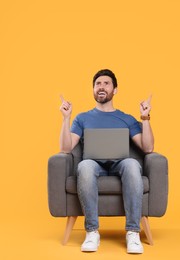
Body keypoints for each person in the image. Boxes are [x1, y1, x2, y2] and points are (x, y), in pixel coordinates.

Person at [59, 69, 154, 254]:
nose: (101, 87)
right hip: (93, 164)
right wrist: (66, 118)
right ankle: (92, 231)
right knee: (84, 166)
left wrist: (145, 118)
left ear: (115, 90)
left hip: (121, 164)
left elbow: (148, 147)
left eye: (106, 83)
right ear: (93, 89)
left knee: (133, 164)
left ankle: (133, 233)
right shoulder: (82, 118)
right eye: (97, 84)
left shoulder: (126, 118)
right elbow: (65, 148)